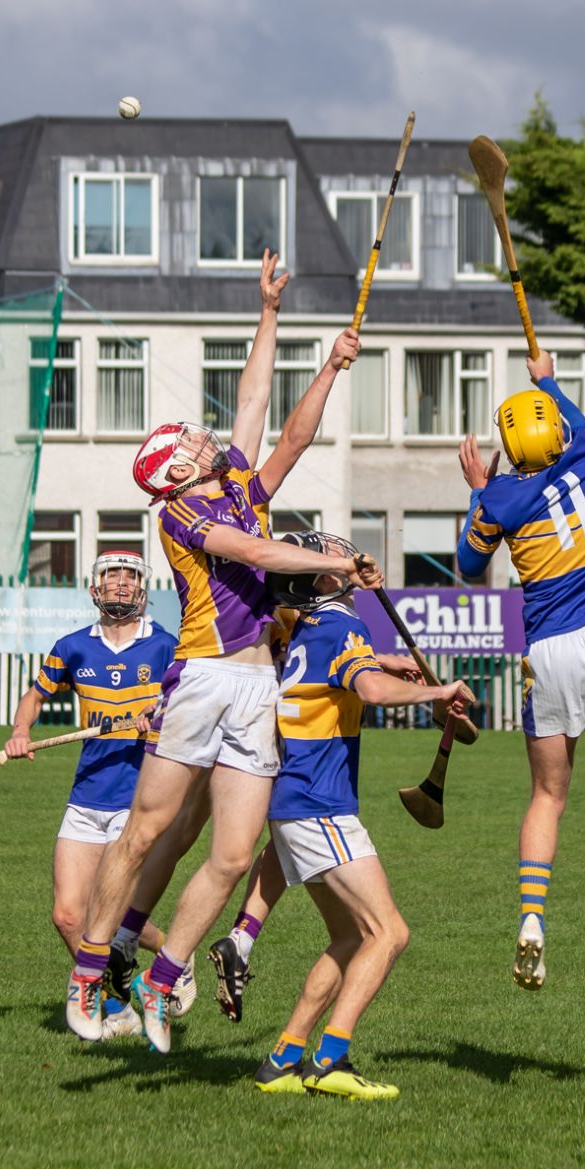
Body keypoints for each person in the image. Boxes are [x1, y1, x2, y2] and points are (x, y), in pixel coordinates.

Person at [65, 250, 383, 1047]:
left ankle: (163, 979)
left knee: (235, 854)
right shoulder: (182, 518)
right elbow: (263, 557)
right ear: (177, 469)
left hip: (256, 687)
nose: (210, 438)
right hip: (202, 678)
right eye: (194, 440)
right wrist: (337, 560)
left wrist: (293, 333)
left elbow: (276, 420)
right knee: (145, 833)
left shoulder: (237, 482)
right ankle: (92, 975)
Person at [456, 350, 585, 991]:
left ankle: (532, 920)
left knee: (548, 795)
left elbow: (468, 565)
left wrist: (477, 493)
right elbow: (576, 418)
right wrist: (544, 375)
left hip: (551, 652)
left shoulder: (500, 498)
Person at [251, 530, 473, 1099]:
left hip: (293, 804)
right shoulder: (343, 625)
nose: (337, 559)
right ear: (317, 580)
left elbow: (355, 675)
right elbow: (369, 690)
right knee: (389, 933)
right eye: (326, 558)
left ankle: (283, 1060)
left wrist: (391, 662)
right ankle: (330, 1061)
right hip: (320, 804)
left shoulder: (303, 628)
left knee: (350, 936)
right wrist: (437, 690)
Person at [3, 550, 192, 1036]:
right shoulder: (73, 647)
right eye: (113, 578)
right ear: (95, 589)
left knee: (110, 914)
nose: (122, 585)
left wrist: (161, 716)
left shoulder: (166, 647)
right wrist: (22, 729)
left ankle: (174, 954)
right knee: (68, 915)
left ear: (144, 589)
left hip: (139, 802)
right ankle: (118, 1006)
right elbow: (35, 694)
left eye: (131, 578)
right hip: (87, 796)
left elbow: (190, 707)